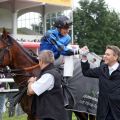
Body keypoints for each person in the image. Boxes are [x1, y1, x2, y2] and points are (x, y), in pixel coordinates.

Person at [80, 45, 120, 120]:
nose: (104, 56)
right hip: (103, 112)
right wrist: (84, 57)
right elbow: (86, 72)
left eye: (107, 54)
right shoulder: (102, 69)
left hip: (117, 112)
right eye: (105, 54)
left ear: (115, 57)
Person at [27, 50, 68, 120]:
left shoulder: (48, 75)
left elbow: (31, 91)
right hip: (54, 114)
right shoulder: (52, 72)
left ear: (41, 61)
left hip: (52, 116)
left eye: (39, 61)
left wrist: (31, 81)